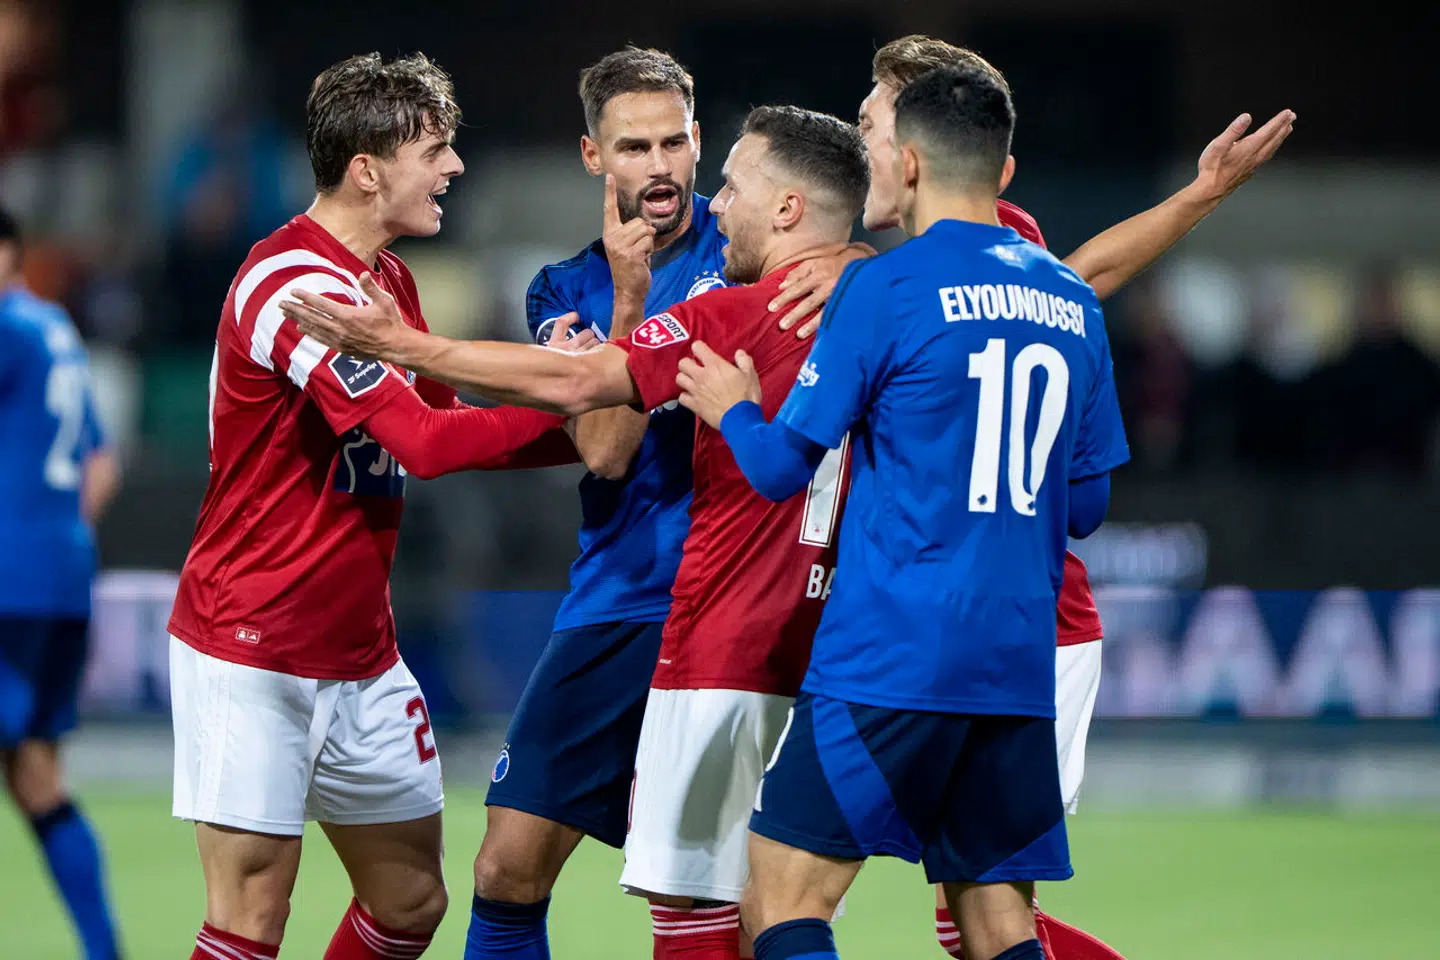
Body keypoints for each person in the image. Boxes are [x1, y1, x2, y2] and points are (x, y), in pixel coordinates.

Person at [285, 104, 870, 960]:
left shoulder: (736, 306)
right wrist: (857, 257)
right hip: (794, 631)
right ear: (596, 155)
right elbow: (602, 444)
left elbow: (580, 387)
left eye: (709, 166)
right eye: (634, 145)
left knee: (709, 909)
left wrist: (406, 344)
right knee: (778, 905)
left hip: (716, 635)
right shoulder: (881, 305)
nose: (711, 198)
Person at [836, 35, 1292, 960]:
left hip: (1018, 624)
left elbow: (1088, 278)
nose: (860, 141)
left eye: (871, 120)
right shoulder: (885, 252)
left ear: (922, 138)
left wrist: (1201, 196)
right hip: (949, 620)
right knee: (974, 917)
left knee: (974, 917)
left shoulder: (996, 248)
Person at [676, 64, 1130, 960]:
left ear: (911, 166)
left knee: (780, 897)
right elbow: (1086, 507)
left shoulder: (883, 291)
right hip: (1014, 661)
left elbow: (778, 470)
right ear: (998, 167)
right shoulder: (1073, 302)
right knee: (996, 918)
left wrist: (731, 404)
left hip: (892, 655)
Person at [165, 52, 574, 960]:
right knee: (250, 920)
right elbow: (422, 446)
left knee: (411, 902)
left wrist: (579, 436)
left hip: (359, 651)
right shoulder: (290, 286)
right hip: (252, 646)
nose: (455, 167)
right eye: (436, 148)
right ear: (367, 169)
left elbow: (442, 416)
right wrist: (581, 413)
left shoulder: (386, 283)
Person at [0, 206, 123, 959]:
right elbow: (100, 464)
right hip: (61, 575)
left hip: (9, 582)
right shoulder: (54, 330)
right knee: (38, 777)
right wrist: (53, 535)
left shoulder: (9, 331)